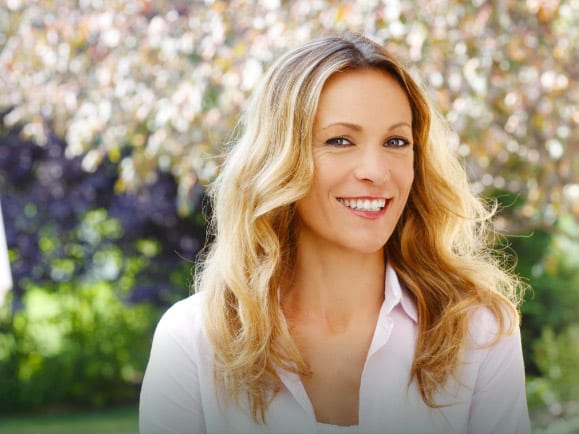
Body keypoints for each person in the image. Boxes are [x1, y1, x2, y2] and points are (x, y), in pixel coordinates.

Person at [139, 32, 530, 434]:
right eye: (340, 140)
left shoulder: (479, 329)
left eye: (396, 141)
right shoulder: (192, 339)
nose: (376, 172)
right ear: (280, 160)